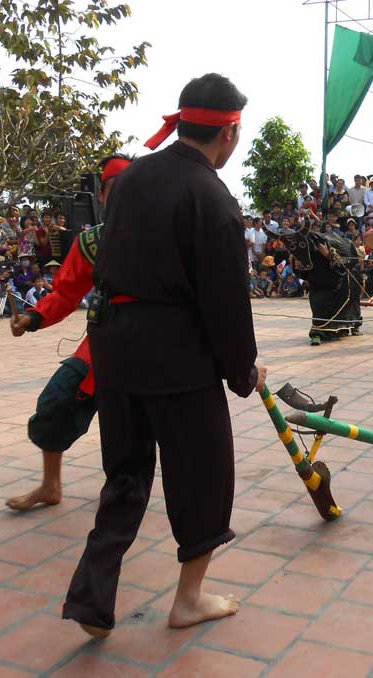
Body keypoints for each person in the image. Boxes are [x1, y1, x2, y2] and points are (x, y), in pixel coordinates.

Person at [62, 73, 266, 638]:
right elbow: (225, 303)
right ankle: (189, 600)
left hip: (115, 346)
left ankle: (91, 601)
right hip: (177, 357)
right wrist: (242, 371)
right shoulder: (213, 199)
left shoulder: (130, 179)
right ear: (229, 132)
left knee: (125, 476)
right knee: (203, 474)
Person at [7, 155, 133, 512]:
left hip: (154, 344)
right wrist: (32, 318)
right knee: (56, 402)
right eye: (114, 189)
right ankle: (50, 486)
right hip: (103, 342)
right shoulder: (91, 242)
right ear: (102, 196)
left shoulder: (166, 235)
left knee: (147, 425)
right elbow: (65, 294)